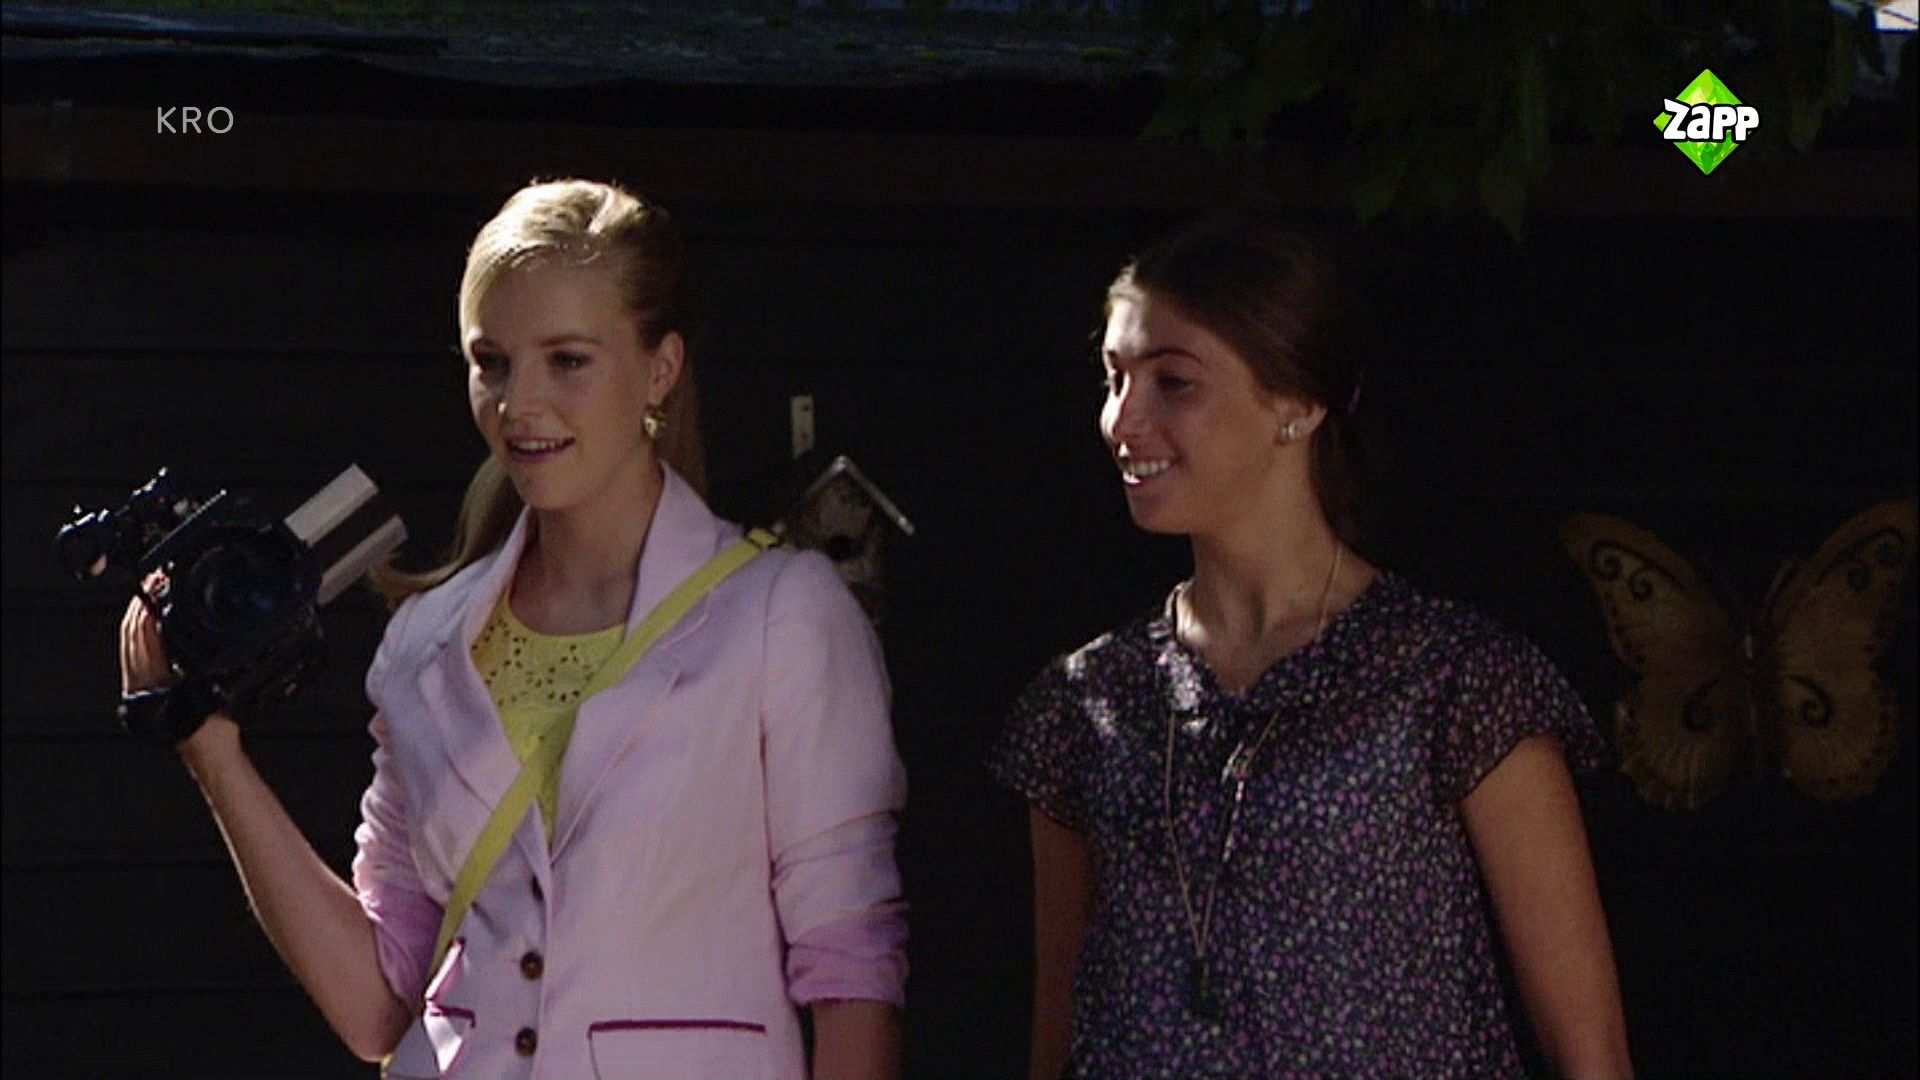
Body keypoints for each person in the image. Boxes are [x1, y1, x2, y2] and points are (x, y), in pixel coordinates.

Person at [117, 179, 909, 1079]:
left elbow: (853, 975)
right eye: (490, 362)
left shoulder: (785, 615)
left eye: (567, 360)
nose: (518, 402)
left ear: (661, 367)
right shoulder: (422, 643)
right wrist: (212, 753)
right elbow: (378, 1006)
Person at [987, 214, 1633, 1080]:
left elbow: (1591, 1054)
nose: (1122, 419)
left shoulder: (1454, 679)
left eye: (1173, 382)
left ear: (1296, 405)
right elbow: (1058, 1044)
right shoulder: (1086, 702)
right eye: (1114, 378)